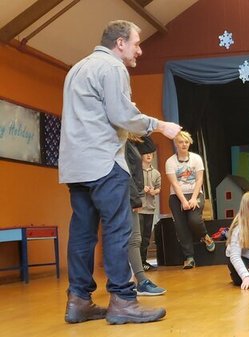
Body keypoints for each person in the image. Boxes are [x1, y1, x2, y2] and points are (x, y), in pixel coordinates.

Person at [59, 20, 181, 324]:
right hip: (104, 163)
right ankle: (123, 301)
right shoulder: (113, 69)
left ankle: (78, 301)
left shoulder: (77, 69)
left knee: (83, 233)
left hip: (76, 166)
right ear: (120, 43)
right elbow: (122, 115)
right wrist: (160, 125)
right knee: (118, 229)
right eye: (137, 43)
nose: (140, 50)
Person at [165, 130, 215, 269]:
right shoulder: (170, 162)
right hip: (177, 196)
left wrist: (193, 198)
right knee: (181, 227)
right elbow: (174, 184)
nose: (184, 144)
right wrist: (183, 201)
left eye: (186, 142)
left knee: (194, 220)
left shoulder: (196, 159)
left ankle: (205, 236)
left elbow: (199, 179)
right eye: (181, 142)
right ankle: (189, 257)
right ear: (176, 144)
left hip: (194, 194)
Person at [125, 136, 166, 296]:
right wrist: (136, 198)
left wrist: (139, 133)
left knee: (139, 238)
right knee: (133, 238)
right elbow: (128, 174)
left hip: (137, 200)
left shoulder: (132, 144)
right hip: (128, 198)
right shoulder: (123, 146)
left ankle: (138, 279)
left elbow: (148, 144)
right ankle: (136, 280)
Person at [137, 138, 161, 271]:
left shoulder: (156, 173)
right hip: (139, 208)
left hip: (150, 209)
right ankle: (137, 263)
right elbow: (132, 187)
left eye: (151, 154)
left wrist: (153, 191)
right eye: (146, 153)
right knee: (138, 236)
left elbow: (158, 188)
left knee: (146, 237)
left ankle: (144, 261)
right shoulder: (136, 172)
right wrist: (142, 190)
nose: (149, 155)